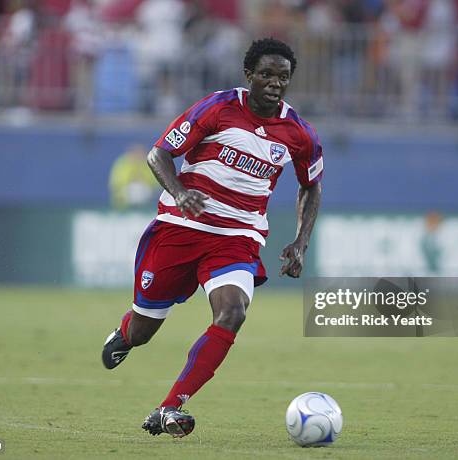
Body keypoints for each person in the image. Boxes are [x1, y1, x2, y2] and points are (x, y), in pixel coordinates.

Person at [101, 37, 323, 438]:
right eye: (267, 75)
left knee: (232, 313)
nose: (275, 83)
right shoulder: (217, 108)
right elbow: (159, 154)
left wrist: (300, 242)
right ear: (249, 76)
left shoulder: (299, 133)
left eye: (283, 77)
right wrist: (180, 193)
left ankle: (170, 406)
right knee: (144, 329)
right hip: (181, 228)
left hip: (237, 238)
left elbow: (312, 185)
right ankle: (125, 334)